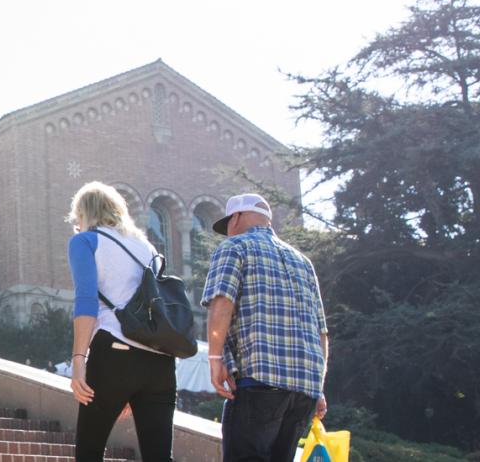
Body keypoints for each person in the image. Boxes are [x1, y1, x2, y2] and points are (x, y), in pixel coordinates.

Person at [201, 193, 330, 462]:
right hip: (303, 391)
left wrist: (214, 358)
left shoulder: (234, 247)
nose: (227, 232)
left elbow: (222, 302)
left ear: (236, 218)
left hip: (259, 381)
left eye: (227, 225)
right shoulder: (303, 262)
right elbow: (321, 332)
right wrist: (318, 388)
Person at [64, 182, 177, 462]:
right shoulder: (147, 246)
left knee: (89, 452)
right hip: (160, 359)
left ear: (84, 214)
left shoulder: (86, 241)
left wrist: (78, 360)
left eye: (77, 219)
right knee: (160, 456)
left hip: (114, 352)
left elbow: (87, 301)